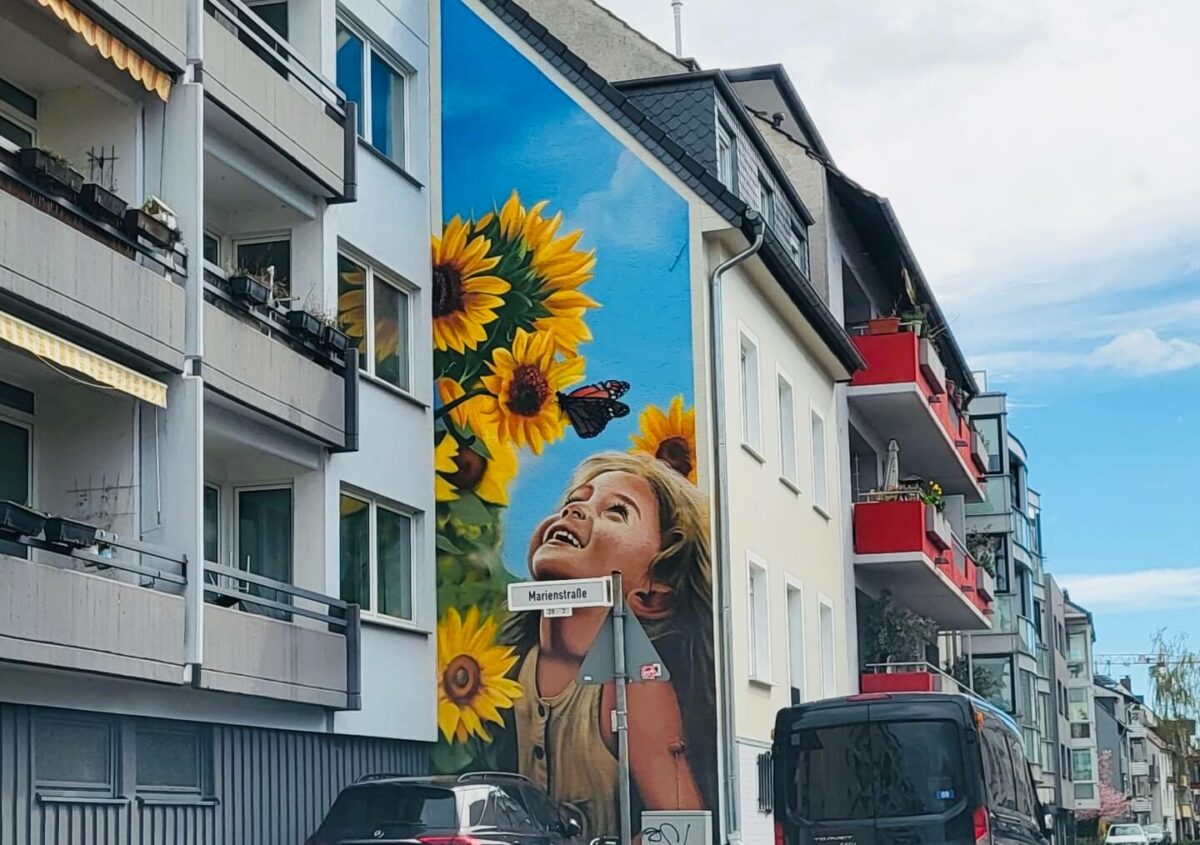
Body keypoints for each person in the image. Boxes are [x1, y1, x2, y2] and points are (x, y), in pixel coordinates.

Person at [498, 452, 716, 840]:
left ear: (654, 593)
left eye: (616, 511)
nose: (576, 510)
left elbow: (682, 829)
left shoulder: (633, 681)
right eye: (573, 501)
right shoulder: (508, 665)